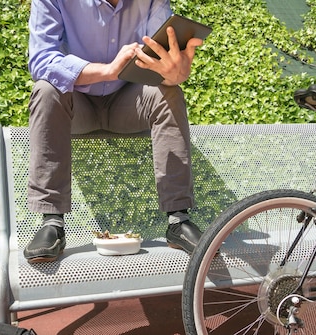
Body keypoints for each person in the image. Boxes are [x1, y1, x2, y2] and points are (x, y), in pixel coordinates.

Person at [23, 0, 206, 263]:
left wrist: (175, 73)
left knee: (170, 92)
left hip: (128, 102)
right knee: (46, 90)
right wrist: (107, 71)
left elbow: (161, 62)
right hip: (76, 106)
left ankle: (179, 221)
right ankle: (52, 223)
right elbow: (41, 61)